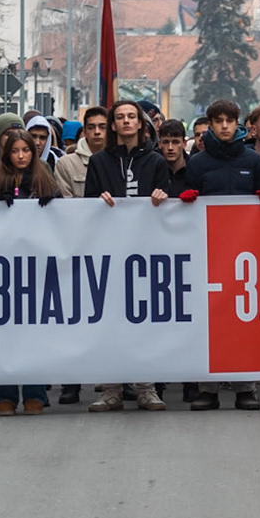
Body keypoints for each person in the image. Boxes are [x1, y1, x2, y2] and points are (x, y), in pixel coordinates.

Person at [85, 100, 176, 412]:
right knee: (110, 322)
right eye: (120, 117)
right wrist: (98, 200)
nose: (126, 121)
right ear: (113, 125)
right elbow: (86, 206)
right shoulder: (98, 161)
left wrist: (163, 197)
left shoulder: (156, 161)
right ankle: (111, 389)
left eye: (131, 117)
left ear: (140, 123)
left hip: (145, 254)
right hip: (110, 252)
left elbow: (168, 205)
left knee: (144, 321)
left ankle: (146, 388)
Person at [0, 128, 58, 416]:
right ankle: (5, 394)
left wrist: (53, 203)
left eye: (25, 150)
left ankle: (35, 393)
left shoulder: (43, 176)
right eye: (15, 151)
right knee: (5, 333)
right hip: (4, 265)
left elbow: (64, 216)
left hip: (36, 263)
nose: (21, 156)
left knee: (33, 333)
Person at [187, 101, 260, 196]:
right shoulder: (196, 163)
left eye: (229, 121)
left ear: (236, 123)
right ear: (211, 125)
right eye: (218, 121)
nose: (224, 126)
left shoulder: (254, 160)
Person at [55, 107, 108, 198]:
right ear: (84, 131)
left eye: (102, 127)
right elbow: (65, 201)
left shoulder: (120, 161)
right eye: (91, 127)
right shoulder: (66, 164)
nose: (97, 132)